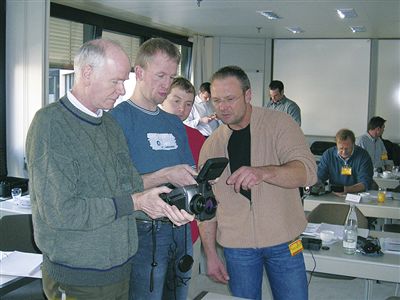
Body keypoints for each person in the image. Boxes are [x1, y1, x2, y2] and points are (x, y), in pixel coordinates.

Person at [25, 39, 191, 300]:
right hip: (80, 276)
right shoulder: (50, 124)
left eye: (124, 81)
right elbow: (62, 212)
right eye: (115, 81)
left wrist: (155, 203)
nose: (122, 89)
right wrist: (135, 201)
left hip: (119, 270)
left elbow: (126, 185)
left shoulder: (109, 125)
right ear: (87, 73)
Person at [198, 65, 317, 300]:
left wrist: (265, 173)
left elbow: (308, 172)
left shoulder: (279, 124)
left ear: (248, 95)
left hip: (284, 241)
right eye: (217, 100)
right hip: (237, 245)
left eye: (230, 99)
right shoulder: (212, 144)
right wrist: (210, 253)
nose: (223, 107)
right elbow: (206, 207)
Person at [110, 38, 197, 300]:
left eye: (171, 76)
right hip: (143, 232)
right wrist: (165, 175)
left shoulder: (173, 123)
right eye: (160, 75)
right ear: (139, 72)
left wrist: (199, 180)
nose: (166, 84)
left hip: (180, 228)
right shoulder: (117, 120)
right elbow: (114, 186)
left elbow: (185, 175)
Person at [160, 76, 206, 243]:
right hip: (156, 221)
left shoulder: (196, 137)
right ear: (163, 98)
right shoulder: (148, 134)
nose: (182, 109)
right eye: (176, 101)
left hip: (189, 221)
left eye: (188, 104)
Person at [318, 128, 374, 195]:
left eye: (347, 148)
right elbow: (319, 176)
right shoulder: (328, 155)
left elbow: (365, 183)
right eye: (341, 148)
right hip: (334, 194)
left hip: (357, 195)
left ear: (353, 144)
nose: (344, 152)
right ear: (336, 145)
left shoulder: (363, 156)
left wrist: (347, 189)